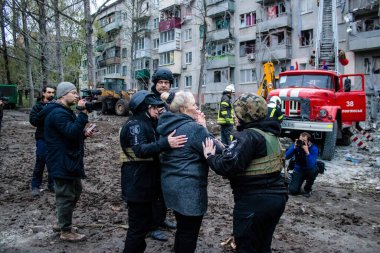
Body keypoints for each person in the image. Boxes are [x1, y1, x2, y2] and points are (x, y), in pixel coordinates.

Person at [202, 92, 288, 253]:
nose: (234, 116)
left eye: (237, 113)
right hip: (277, 199)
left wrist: (210, 156)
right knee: (263, 246)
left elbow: (228, 167)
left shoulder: (248, 136)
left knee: (246, 247)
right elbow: (251, 157)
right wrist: (228, 149)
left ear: (246, 115)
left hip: (254, 202)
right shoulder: (269, 133)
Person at [120, 90, 187, 253]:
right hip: (137, 185)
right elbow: (140, 150)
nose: (159, 110)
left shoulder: (147, 122)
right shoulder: (136, 125)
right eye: (156, 107)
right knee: (137, 230)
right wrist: (166, 143)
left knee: (142, 228)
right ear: (146, 108)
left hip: (144, 183)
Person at [157, 91, 223, 253]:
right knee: (189, 233)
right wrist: (203, 126)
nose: (196, 107)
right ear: (184, 109)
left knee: (182, 228)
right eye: (193, 104)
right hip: (189, 191)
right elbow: (218, 151)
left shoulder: (166, 124)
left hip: (171, 186)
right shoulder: (194, 129)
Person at [38, 81, 95, 242]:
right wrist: (83, 114)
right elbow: (70, 132)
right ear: (64, 95)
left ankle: (62, 222)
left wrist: (83, 134)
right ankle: (65, 230)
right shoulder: (57, 113)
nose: (77, 95)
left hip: (68, 159)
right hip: (62, 160)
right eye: (74, 92)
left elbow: (69, 132)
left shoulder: (63, 111)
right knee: (65, 196)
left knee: (75, 191)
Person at [149, 67, 178, 241]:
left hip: (168, 148)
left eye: (166, 83)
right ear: (155, 83)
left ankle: (160, 219)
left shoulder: (172, 100)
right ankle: (151, 225)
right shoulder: (148, 99)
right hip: (153, 148)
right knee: (153, 190)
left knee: (163, 189)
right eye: (160, 82)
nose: (163, 86)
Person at [29, 85, 56, 197]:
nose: (51, 94)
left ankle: (52, 185)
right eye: (49, 92)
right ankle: (35, 186)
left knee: (52, 163)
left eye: (53, 92)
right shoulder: (37, 107)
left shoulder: (55, 106)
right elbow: (33, 121)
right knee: (40, 161)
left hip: (54, 139)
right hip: (42, 139)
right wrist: (45, 111)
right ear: (43, 93)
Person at [285, 132, 318, 197]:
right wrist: (294, 147)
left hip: (309, 170)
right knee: (293, 191)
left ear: (308, 141)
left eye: (304, 141)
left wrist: (307, 152)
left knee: (314, 169)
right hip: (299, 170)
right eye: (300, 140)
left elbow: (310, 165)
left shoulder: (314, 148)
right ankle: (296, 181)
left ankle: (307, 188)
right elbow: (286, 156)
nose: (302, 142)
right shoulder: (296, 146)